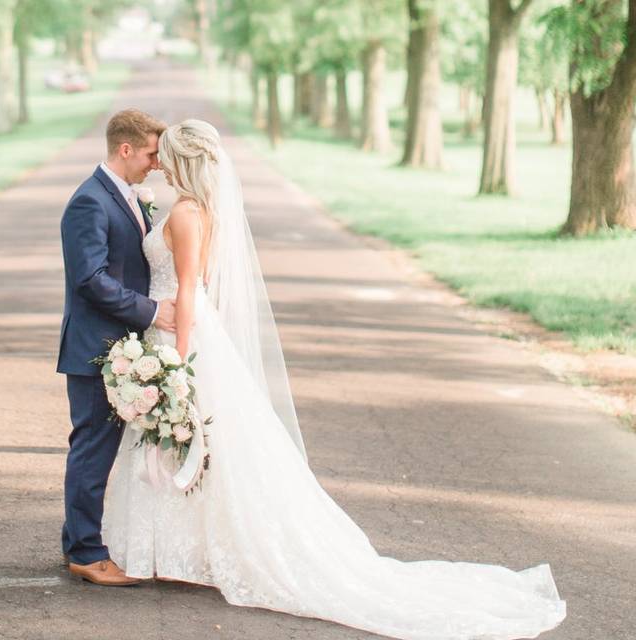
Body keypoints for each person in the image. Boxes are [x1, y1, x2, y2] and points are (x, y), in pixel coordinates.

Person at [100, 119, 567, 639]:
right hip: (179, 332)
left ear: (182, 162)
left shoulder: (187, 214)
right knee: (194, 444)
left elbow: (188, 290)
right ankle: (179, 550)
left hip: (184, 338)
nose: (157, 161)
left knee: (194, 436)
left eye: (164, 155)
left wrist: (179, 364)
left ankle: (191, 550)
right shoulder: (191, 208)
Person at [56, 109, 177, 586]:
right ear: (124, 149)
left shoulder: (124, 195)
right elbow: (90, 280)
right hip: (95, 347)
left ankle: (77, 540)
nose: (154, 164)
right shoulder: (89, 202)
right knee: (92, 448)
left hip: (118, 344)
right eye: (149, 153)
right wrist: (150, 311)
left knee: (99, 447)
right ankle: (86, 552)